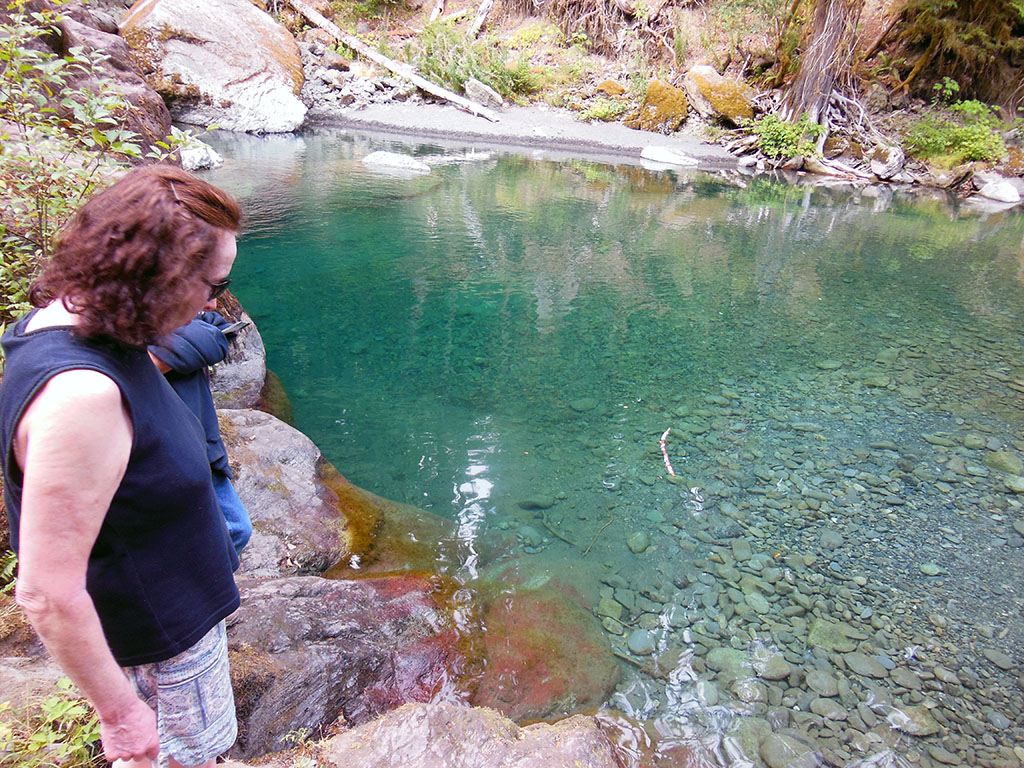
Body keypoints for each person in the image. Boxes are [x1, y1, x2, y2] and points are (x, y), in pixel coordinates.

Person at [0, 165, 243, 768]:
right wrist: (122, 715)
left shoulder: (88, 327)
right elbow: (47, 591)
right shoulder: (80, 394)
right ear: (160, 279)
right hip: (159, 654)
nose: (216, 302)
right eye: (213, 285)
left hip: (177, 624)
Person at [148, 312, 252, 557]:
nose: (214, 302)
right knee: (233, 527)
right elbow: (207, 337)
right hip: (172, 450)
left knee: (237, 527)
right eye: (211, 288)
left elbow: (215, 328)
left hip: (200, 445)